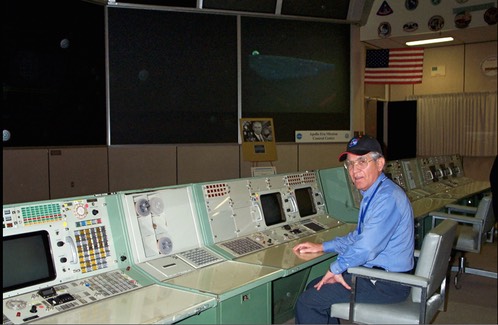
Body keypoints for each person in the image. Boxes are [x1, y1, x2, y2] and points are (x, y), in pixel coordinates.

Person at [293, 135, 415, 324]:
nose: (354, 170)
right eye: (350, 164)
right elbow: (359, 237)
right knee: (314, 286)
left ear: (380, 163)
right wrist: (323, 246)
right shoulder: (375, 192)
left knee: (308, 302)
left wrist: (336, 268)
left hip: (385, 283)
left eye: (362, 162)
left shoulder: (387, 198)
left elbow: (366, 247)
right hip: (378, 275)